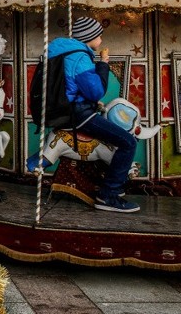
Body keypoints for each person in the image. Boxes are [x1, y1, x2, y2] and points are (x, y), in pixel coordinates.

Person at [49, 16, 140, 213]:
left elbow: (71, 87)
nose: (101, 40)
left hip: (71, 108)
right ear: (89, 36)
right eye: (99, 35)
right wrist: (103, 64)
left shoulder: (65, 52)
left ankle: (110, 185)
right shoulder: (80, 57)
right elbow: (97, 90)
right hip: (79, 114)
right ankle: (108, 195)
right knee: (128, 142)